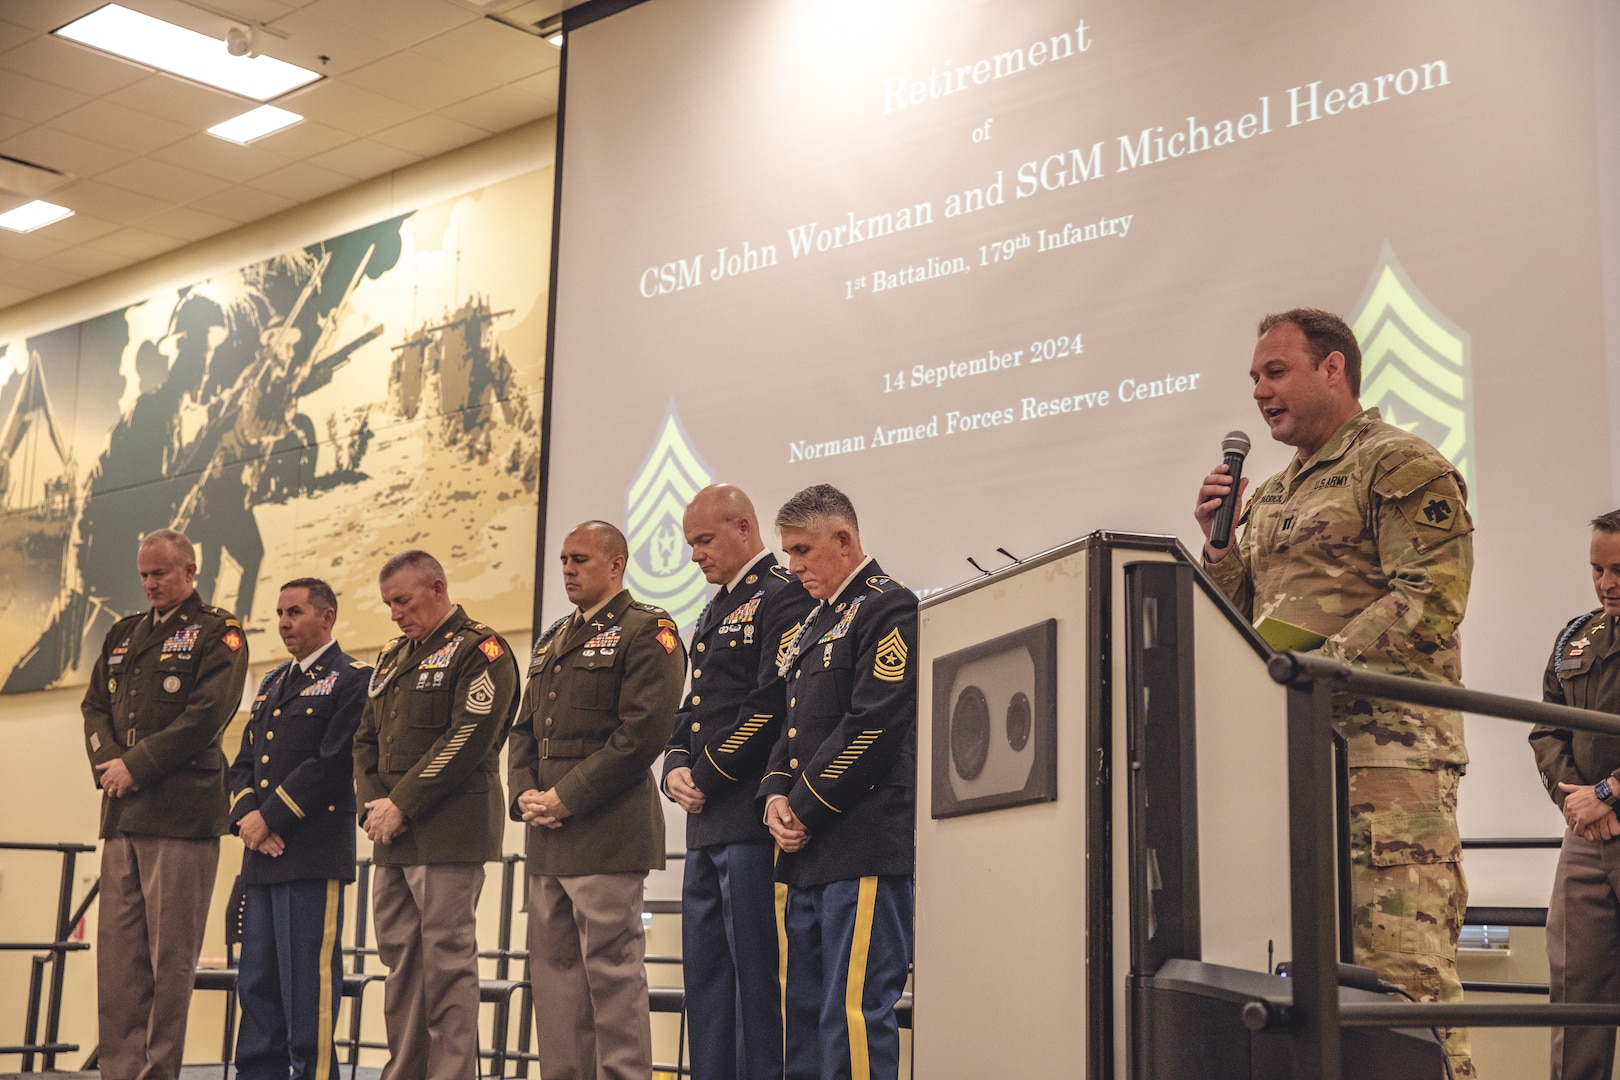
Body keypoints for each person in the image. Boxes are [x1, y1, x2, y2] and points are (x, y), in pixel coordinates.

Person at [1193, 308, 1475, 1077]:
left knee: (1408, 987)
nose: (1259, 390)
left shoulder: (1400, 465)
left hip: (1388, 764)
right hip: (1294, 764)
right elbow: (1244, 617)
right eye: (1253, 377)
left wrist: (1315, 666)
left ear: (1333, 370)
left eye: (1274, 372)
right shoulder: (1271, 494)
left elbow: (1431, 597)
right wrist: (1218, 549)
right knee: (1309, 993)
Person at [509, 521, 686, 1080]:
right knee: (555, 985)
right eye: (562, 559)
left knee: (612, 982)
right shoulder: (552, 638)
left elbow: (642, 735)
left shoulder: (647, 630)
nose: (566, 569)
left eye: (579, 559)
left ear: (616, 565)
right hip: (547, 838)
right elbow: (523, 732)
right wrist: (524, 795)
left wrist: (565, 796)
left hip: (607, 835)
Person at [80, 527, 250, 1080]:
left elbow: (205, 717)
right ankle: (120, 1072)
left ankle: (158, 1073)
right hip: (123, 813)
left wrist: (137, 766)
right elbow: (94, 708)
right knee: (118, 962)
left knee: (167, 962)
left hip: (180, 815)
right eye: (144, 575)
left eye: (161, 573)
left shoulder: (218, 632)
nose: (151, 584)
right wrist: (110, 765)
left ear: (190, 571)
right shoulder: (123, 634)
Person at [760, 484, 917, 1080]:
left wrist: (802, 806)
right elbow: (791, 725)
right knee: (801, 1013)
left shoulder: (888, 606)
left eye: (801, 551)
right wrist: (775, 795)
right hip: (808, 852)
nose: (792, 567)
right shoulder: (815, 623)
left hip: (861, 843)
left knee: (852, 1011)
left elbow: (873, 723)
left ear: (843, 540)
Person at [661, 485, 814, 1080]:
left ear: (744, 530)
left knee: (758, 982)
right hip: (705, 825)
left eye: (703, 540)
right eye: (690, 543)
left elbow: (771, 703)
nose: (694, 555)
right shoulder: (715, 605)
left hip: (749, 822)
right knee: (706, 982)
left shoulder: (781, 596)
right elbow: (693, 706)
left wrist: (706, 773)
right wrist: (674, 765)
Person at [352, 551, 519, 1080]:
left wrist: (400, 803)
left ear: (437, 587)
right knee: (400, 966)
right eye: (388, 605)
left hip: (450, 832)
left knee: (447, 966)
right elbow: (364, 740)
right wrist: (375, 807)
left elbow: (467, 738)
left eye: (402, 600)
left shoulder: (481, 650)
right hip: (392, 836)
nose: (396, 614)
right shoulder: (392, 656)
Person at [228, 578, 368, 1080]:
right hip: (262, 855)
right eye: (281, 613)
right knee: (258, 984)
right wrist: (249, 820)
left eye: (296, 612)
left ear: (327, 617)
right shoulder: (270, 683)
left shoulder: (353, 677)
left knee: (308, 988)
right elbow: (243, 763)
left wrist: (271, 817)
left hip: (309, 854)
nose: (285, 623)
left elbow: (331, 763)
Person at [1530, 510, 1620, 1080]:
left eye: (1619, 569)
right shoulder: (1576, 635)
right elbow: (1545, 728)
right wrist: (1577, 803)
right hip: (1586, 839)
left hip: (1605, 811)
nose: (1607, 582)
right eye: (1596, 569)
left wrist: (1610, 793)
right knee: (1575, 999)